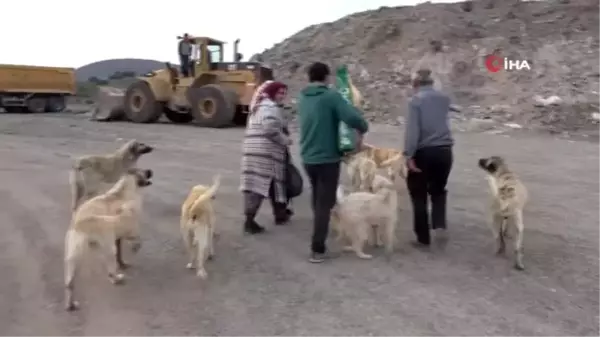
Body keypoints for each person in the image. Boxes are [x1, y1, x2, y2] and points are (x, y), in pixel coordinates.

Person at [297, 62, 369, 263]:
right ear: (327, 78)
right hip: (327, 158)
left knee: (317, 196)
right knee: (325, 203)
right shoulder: (331, 97)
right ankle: (317, 248)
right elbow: (352, 117)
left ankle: (320, 231)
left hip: (308, 157)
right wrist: (363, 126)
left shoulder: (302, 97)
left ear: (309, 77)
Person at [403, 69, 454, 248]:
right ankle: (439, 225)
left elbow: (412, 131)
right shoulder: (444, 99)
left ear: (415, 85)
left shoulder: (415, 101)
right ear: (432, 84)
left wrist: (408, 155)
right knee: (439, 189)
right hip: (445, 151)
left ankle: (423, 238)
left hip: (425, 152)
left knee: (418, 193)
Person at [240, 81, 292, 234]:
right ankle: (249, 221)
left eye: (284, 93)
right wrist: (285, 140)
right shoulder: (269, 107)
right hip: (265, 153)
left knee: (272, 184)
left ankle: (280, 214)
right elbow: (270, 128)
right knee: (260, 186)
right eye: (279, 92)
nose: (282, 96)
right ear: (272, 93)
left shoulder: (259, 106)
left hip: (255, 151)